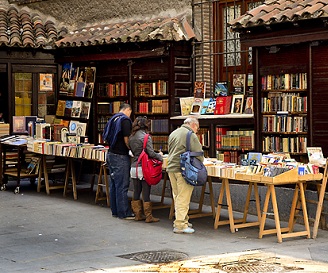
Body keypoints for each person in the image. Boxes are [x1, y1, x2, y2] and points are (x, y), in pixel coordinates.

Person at [166, 117, 204, 234]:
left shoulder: (174, 133)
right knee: (184, 197)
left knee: (177, 195)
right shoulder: (190, 134)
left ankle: (183, 220)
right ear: (193, 125)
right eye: (197, 128)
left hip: (171, 167)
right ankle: (180, 225)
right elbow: (199, 153)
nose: (197, 131)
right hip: (183, 169)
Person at [103, 103, 134, 220]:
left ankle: (115, 210)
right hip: (120, 155)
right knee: (122, 185)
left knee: (114, 184)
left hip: (111, 153)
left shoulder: (113, 118)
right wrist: (130, 149)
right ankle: (124, 212)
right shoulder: (125, 120)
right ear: (127, 110)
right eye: (130, 112)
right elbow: (126, 139)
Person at [129, 116, 163, 223]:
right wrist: (160, 156)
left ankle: (137, 214)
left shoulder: (131, 136)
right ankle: (149, 216)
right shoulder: (146, 137)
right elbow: (151, 153)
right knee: (146, 191)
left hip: (134, 167)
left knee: (136, 191)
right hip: (143, 168)